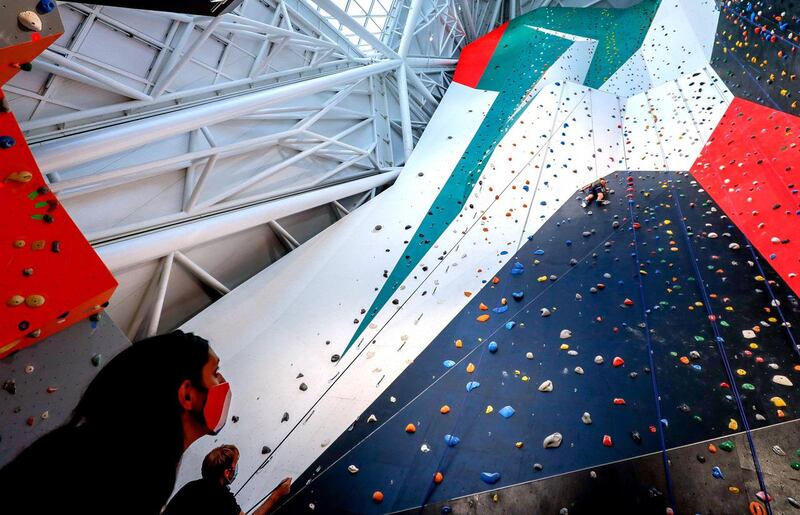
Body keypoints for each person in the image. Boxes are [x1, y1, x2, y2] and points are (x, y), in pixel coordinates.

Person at [0, 330, 232, 515]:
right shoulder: (133, 474)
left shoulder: (136, 460)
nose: (222, 381)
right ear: (187, 394)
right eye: (215, 372)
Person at [165, 445, 292, 515]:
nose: (237, 468)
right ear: (227, 472)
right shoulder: (222, 499)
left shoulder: (191, 486)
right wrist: (276, 495)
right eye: (235, 464)